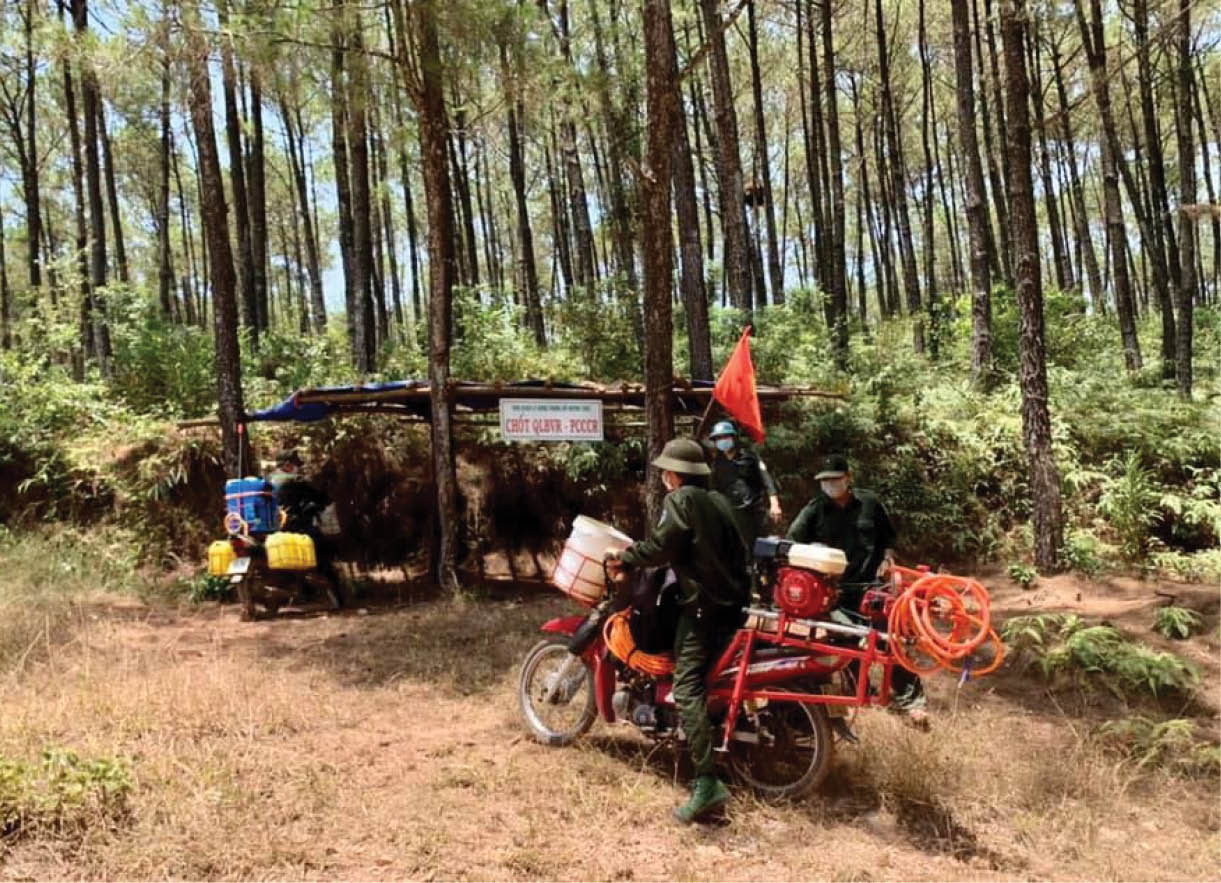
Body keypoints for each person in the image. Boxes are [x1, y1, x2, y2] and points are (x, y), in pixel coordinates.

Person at [605, 438, 750, 824]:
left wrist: (627, 557)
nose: (665, 478)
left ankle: (707, 785)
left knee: (686, 688)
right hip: (732, 607)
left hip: (702, 610)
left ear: (675, 473)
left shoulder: (681, 501)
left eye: (666, 472)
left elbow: (662, 547)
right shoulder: (720, 502)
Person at [786, 454, 927, 726]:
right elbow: (792, 541)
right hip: (835, 592)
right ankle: (858, 691)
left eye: (835, 479)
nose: (830, 485)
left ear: (848, 478)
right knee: (846, 642)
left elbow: (888, 538)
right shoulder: (815, 509)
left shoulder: (869, 503)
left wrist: (887, 559)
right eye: (825, 481)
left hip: (873, 587)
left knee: (890, 638)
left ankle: (911, 701)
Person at [269, 449, 344, 606]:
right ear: (288, 465)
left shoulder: (268, 480)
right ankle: (337, 596)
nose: (298, 468)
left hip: (273, 529)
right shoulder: (296, 481)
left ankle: (304, 590)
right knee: (322, 551)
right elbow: (320, 498)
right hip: (296, 526)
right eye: (296, 464)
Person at [706, 420, 782, 552]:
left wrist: (774, 503)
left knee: (761, 549)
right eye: (718, 438)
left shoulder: (750, 457)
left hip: (754, 512)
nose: (722, 441)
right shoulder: (717, 464)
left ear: (733, 437)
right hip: (732, 515)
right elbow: (713, 490)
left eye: (725, 437)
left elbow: (766, 478)